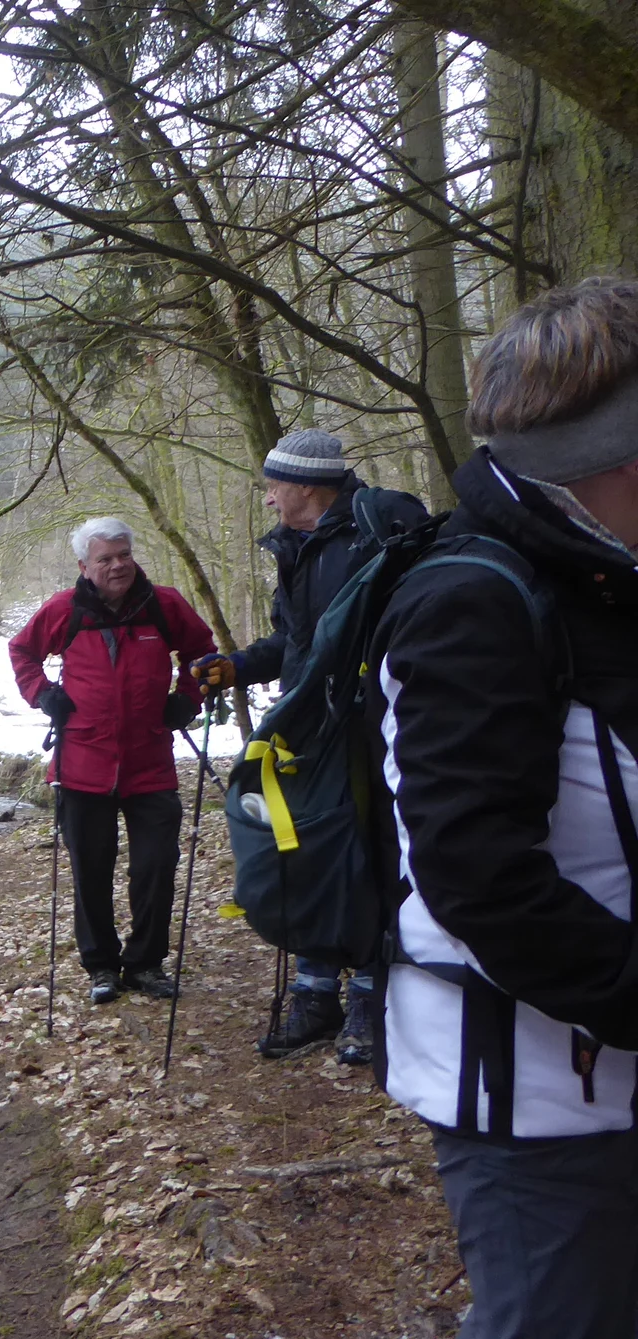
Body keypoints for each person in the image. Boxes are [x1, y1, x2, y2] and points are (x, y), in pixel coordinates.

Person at [371, 278, 638, 1339]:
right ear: (601, 460)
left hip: (604, 1064)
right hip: (529, 1084)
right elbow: (477, 874)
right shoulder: (473, 600)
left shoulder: (602, 580)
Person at [192, 430, 425, 1063]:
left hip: (375, 729)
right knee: (313, 856)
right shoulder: (298, 547)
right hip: (308, 731)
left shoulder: (374, 536)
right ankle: (317, 996)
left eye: (272, 486)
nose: (267, 500)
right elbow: (295, 645)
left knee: (373, 855)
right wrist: (237, 666)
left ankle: (370, 1003)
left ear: (305, 486)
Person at [10, 518, 215, 1004]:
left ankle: (145, 964)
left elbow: (202, 653)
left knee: (156, 866)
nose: (118, 565)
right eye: (105, 558)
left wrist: (189, 698)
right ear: (85, 566)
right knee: (91, 869)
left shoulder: (164, 605)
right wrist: (43, 695)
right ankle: (101, 966)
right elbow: (22, 652)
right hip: (83, 763)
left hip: (150, 763)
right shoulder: (65, 609)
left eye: (123, 554)